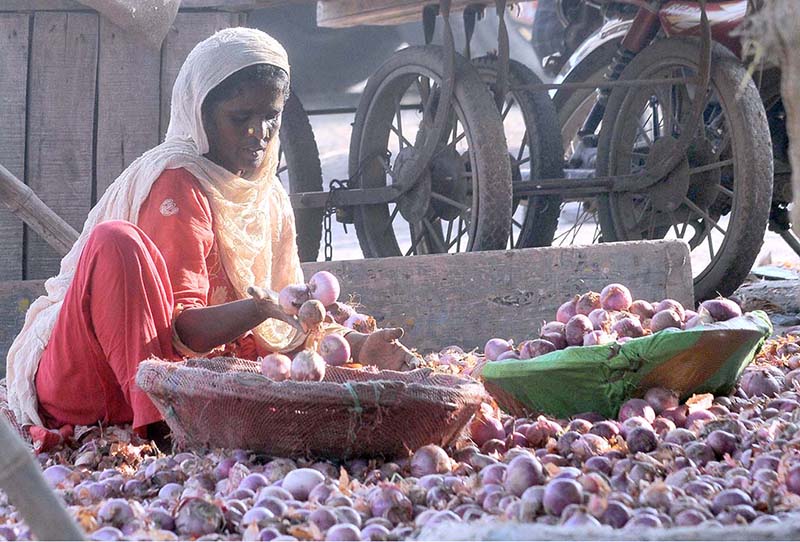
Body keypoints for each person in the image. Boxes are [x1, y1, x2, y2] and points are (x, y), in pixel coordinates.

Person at [5, 28, 416, 441]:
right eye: (241, 119)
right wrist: (259, 310)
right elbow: (183, 334)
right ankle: (162, 430)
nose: (260, 132)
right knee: (116, 242)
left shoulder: (267, 196)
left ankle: (169, 422)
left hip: (185, 389)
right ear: (202, 117)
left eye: (271, 116)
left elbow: (285, 324)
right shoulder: (178, 185)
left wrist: (360, 347)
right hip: (92, 386)